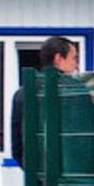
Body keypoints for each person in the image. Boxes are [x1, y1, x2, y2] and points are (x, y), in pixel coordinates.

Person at [12, 35, 79, 168]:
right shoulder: (75, 92)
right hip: (72, 172)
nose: (76, 65)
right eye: (74, 58)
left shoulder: (22, 94)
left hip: (36, 173)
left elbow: (17, 145)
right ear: (58, 59)